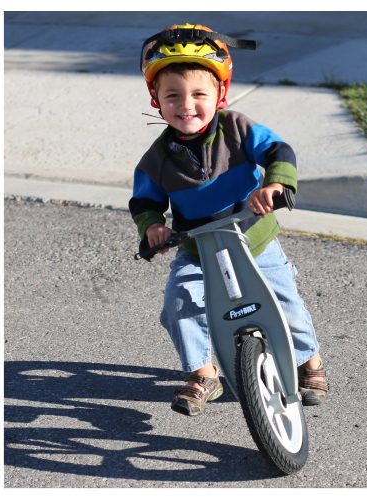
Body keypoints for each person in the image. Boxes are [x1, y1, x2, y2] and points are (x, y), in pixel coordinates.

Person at [129, 23, 328, 417]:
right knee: (180, 303)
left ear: (220, 93)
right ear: (157, 99)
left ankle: (309, 361)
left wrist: (274, 185)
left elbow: (278, 150)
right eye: (173, 96)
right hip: (196, 248)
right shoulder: (156, 159)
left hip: (253, 238)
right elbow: (144, 201)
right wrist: (152, 227)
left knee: (284, 301)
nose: (186, 105)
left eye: (199, 94)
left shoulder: (237, 129)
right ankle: (204, 374)